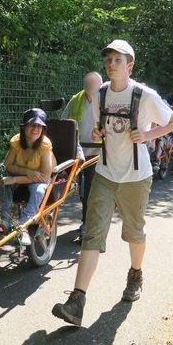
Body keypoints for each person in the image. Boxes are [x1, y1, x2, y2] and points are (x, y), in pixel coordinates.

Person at [52, 40, 173, 326]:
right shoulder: (100, 94)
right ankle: (77, 300)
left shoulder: (145, 95)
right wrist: (98, 134)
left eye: (117, 60)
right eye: (108, 59)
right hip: (106, 174)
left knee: (134, 232)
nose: (111, 64)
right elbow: (101, 130)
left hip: (136, 177)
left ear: (130, 65)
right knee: (92, 234)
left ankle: (135, 273)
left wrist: (147, 136)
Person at [0, 108, 56, 246]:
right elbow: (8, 165)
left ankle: (23, 227)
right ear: (24, 127)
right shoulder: (16, 142)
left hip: (39, 180)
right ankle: (5, 221)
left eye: (39, 126)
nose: (35, 129)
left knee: (39, 190)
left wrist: (15, 179)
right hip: (24, 176)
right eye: (32, 124)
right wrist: (26, 171)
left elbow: (45, 177)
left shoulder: (45, 146)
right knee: (0, 174)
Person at [61, 72, 103, 240]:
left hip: (98, 153)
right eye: (88, 84)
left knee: (90, 191)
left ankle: (87, 224)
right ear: (85, 86)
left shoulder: (106, 101)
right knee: (82, 191)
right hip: (78, 153)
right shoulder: (76, 100)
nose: (91, 87)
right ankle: (88, 219)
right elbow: (64, 122)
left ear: (100, 85)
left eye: (94, 84)